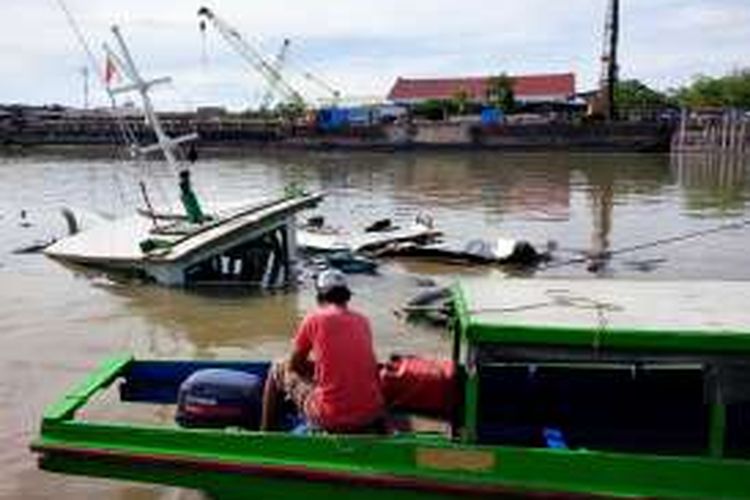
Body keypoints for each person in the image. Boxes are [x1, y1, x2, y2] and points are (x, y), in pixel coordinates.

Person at [260, 270, 384, 433]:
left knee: (277, 366)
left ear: (319, 296)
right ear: (347, 297)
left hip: (331, 416)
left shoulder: (314, 319)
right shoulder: (363, 320)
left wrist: (310, 374)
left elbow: (294, 366)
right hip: (370, 413)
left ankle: (265, 433)